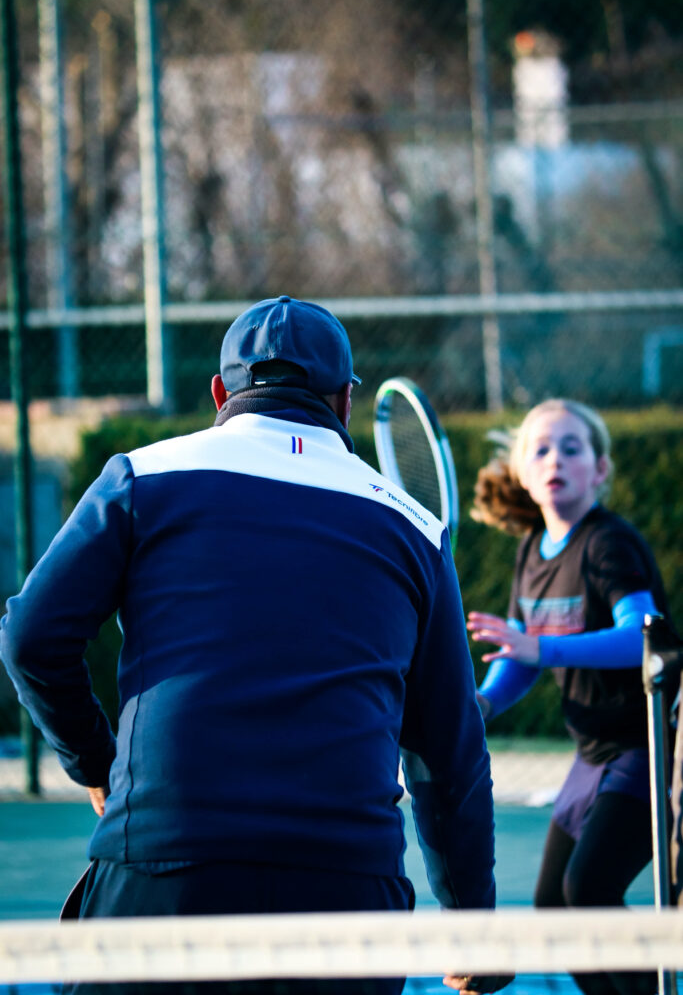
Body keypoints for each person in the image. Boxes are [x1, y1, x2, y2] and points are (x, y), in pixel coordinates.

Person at [1, 296, 508, 995]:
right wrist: (470, 925)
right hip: (348, 889)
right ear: (345, 400)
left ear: (219, 393)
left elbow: (30, 637)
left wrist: (95, 763)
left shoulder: (139, 477)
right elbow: (449, 754)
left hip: (163, 867)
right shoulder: (416, 530)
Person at [467, 397, 677, 995]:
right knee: (555, 912)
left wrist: (544, 649)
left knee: (589, 890)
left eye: (572, 447)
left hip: (646, 749)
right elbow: (520, 657)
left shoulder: (609, 543)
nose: (555, 457)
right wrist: (482, 706)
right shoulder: (531, 552)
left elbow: (643, 635)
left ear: (600, 471)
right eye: (540, 449)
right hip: (591, 757)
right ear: (523, 476)